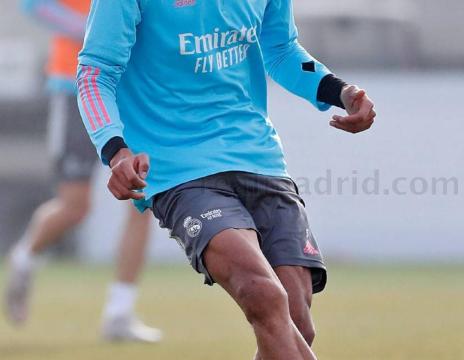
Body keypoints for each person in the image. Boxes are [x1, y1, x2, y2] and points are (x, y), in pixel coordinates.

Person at [78, 0, 375, 358]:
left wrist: (339, 91)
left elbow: (281, 50)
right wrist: (115, 150)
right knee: (262, 293)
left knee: (295, 321)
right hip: (177, 168)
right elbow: (96, 73)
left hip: (258, 157)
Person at [3, 0, 162, 343]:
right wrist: (97, 32)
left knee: (143, 198)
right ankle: (24, 257)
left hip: (129, 90)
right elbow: (35, 6)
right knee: (75, 206)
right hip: (75, 86)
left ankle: (119, 312)